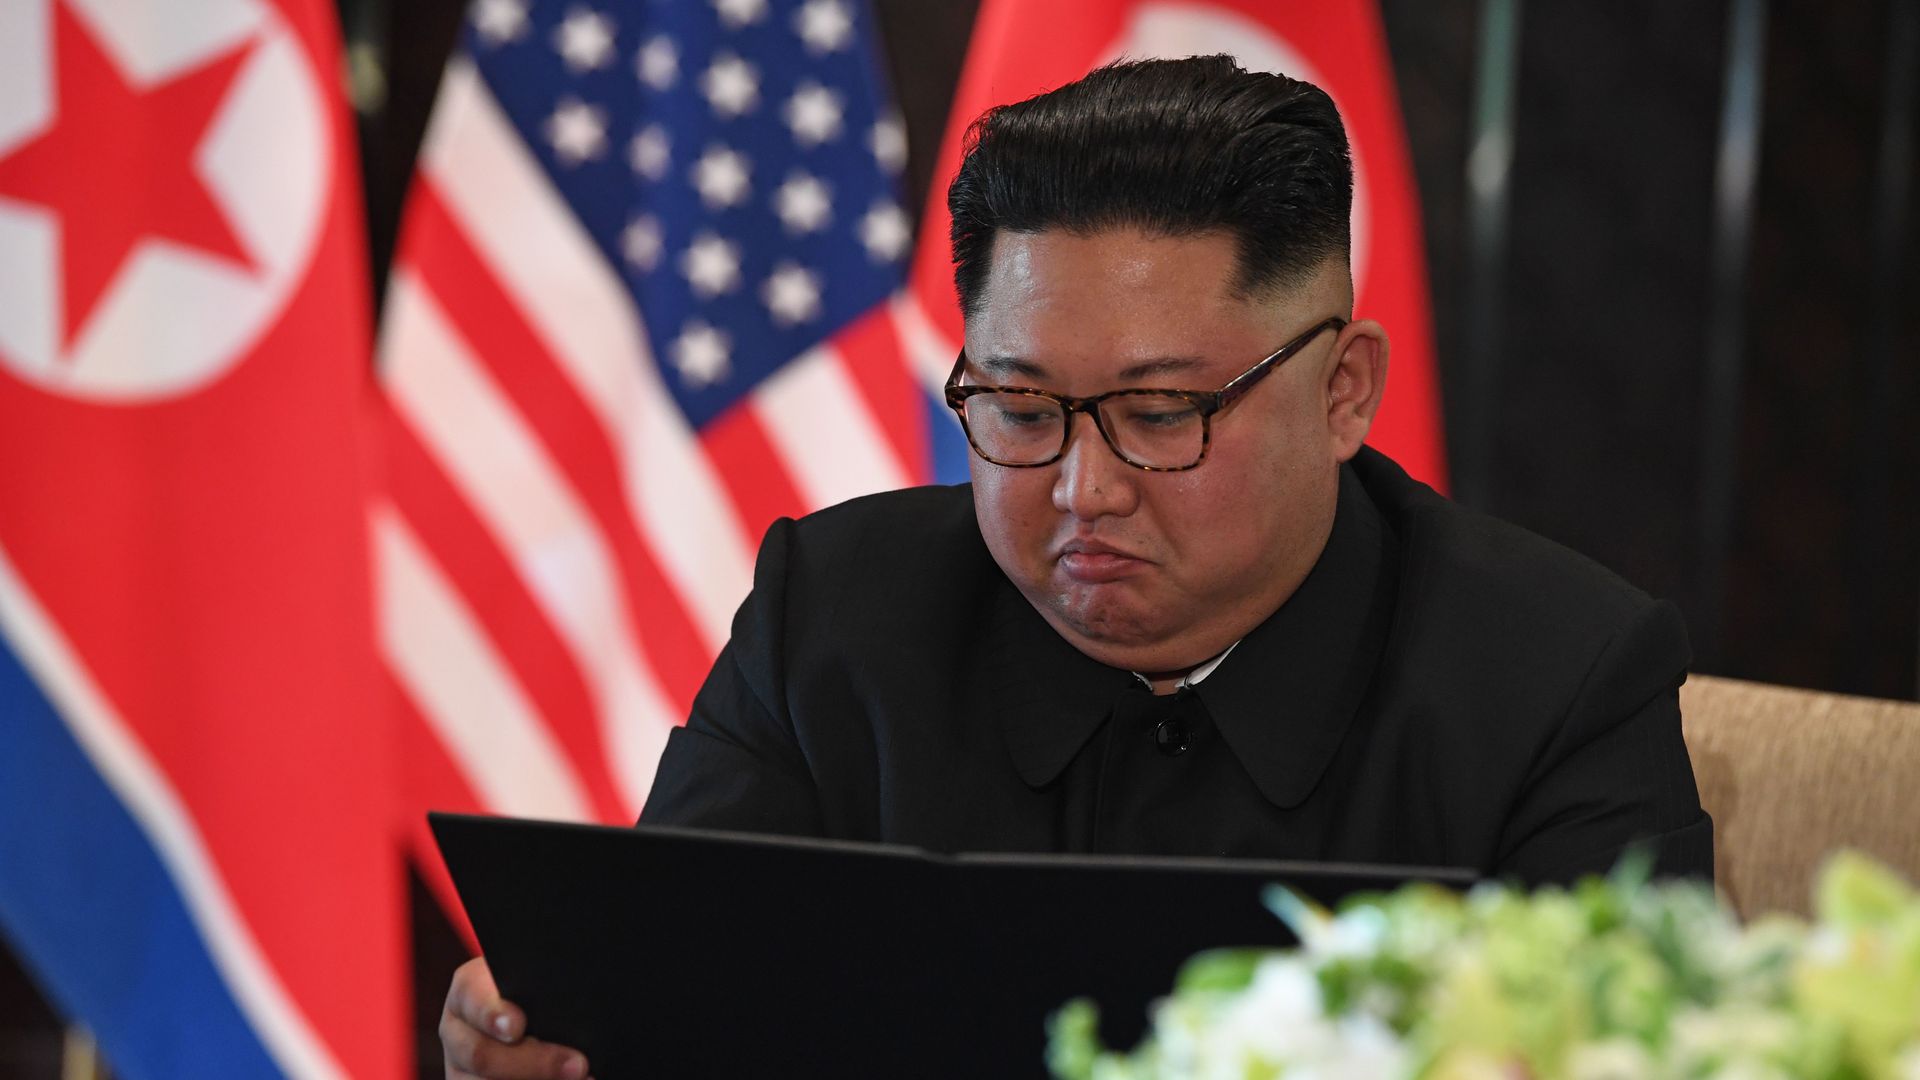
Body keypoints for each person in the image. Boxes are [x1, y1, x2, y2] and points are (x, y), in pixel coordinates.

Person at [440, 55, 1711, 1079]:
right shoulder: (832, 610)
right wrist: (541, 1039)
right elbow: (670, 1008)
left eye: (1160, 415)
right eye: (1020, 406)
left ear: (1343, 392)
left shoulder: (1557, 675)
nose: (1079, 490)